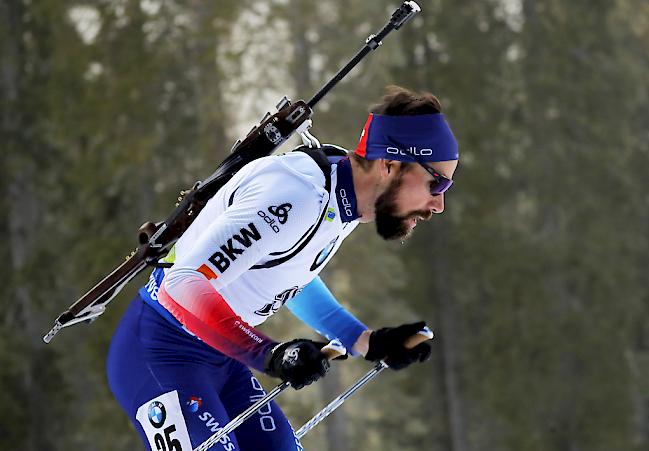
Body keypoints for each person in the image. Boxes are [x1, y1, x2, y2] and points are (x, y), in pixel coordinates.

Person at [106, 85, 459, 451]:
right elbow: (180, 285)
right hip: (160, 353)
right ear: (389, 164)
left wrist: (365, 340)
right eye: (437, 182)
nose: (439, 204)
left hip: (221, 359)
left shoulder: (344, 197)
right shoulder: (294, 194)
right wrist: (268, 354)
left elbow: (289, 274)